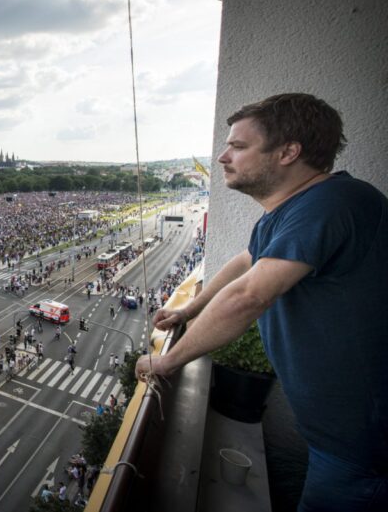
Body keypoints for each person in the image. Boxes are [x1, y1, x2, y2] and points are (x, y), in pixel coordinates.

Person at [135, 93, 387, 511]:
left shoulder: (330, 204)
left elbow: (248, 295)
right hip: (344, 437)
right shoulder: (301, 207)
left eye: (238, 145)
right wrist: (188, 310)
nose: (222, 156)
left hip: (359, 446)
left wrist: (166, 362)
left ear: (289, 152)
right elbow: (246, 262)